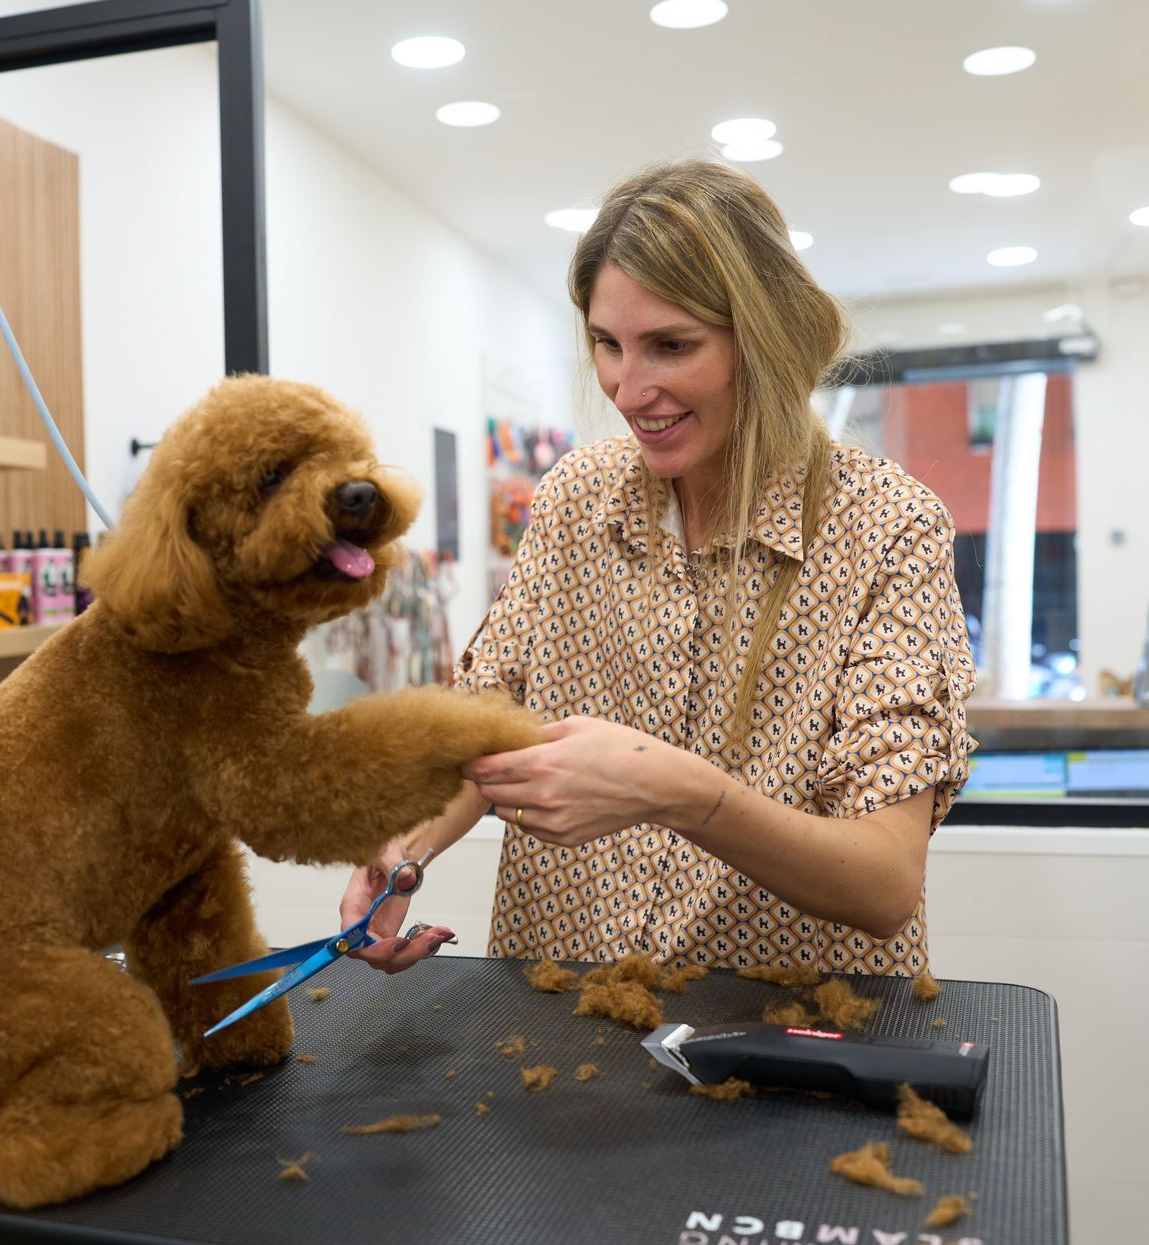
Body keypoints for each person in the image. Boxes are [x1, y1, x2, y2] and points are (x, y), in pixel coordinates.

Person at [342, 157, 977, 978]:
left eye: (671, 346)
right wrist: (401, 855)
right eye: (608, 345)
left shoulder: (884, 529)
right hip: (563, 1011)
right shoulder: (577, 500)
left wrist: (680, 793)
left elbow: (886, 883)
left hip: (782, 1032)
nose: (628, 387)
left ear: (765, 337)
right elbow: (488, 720)